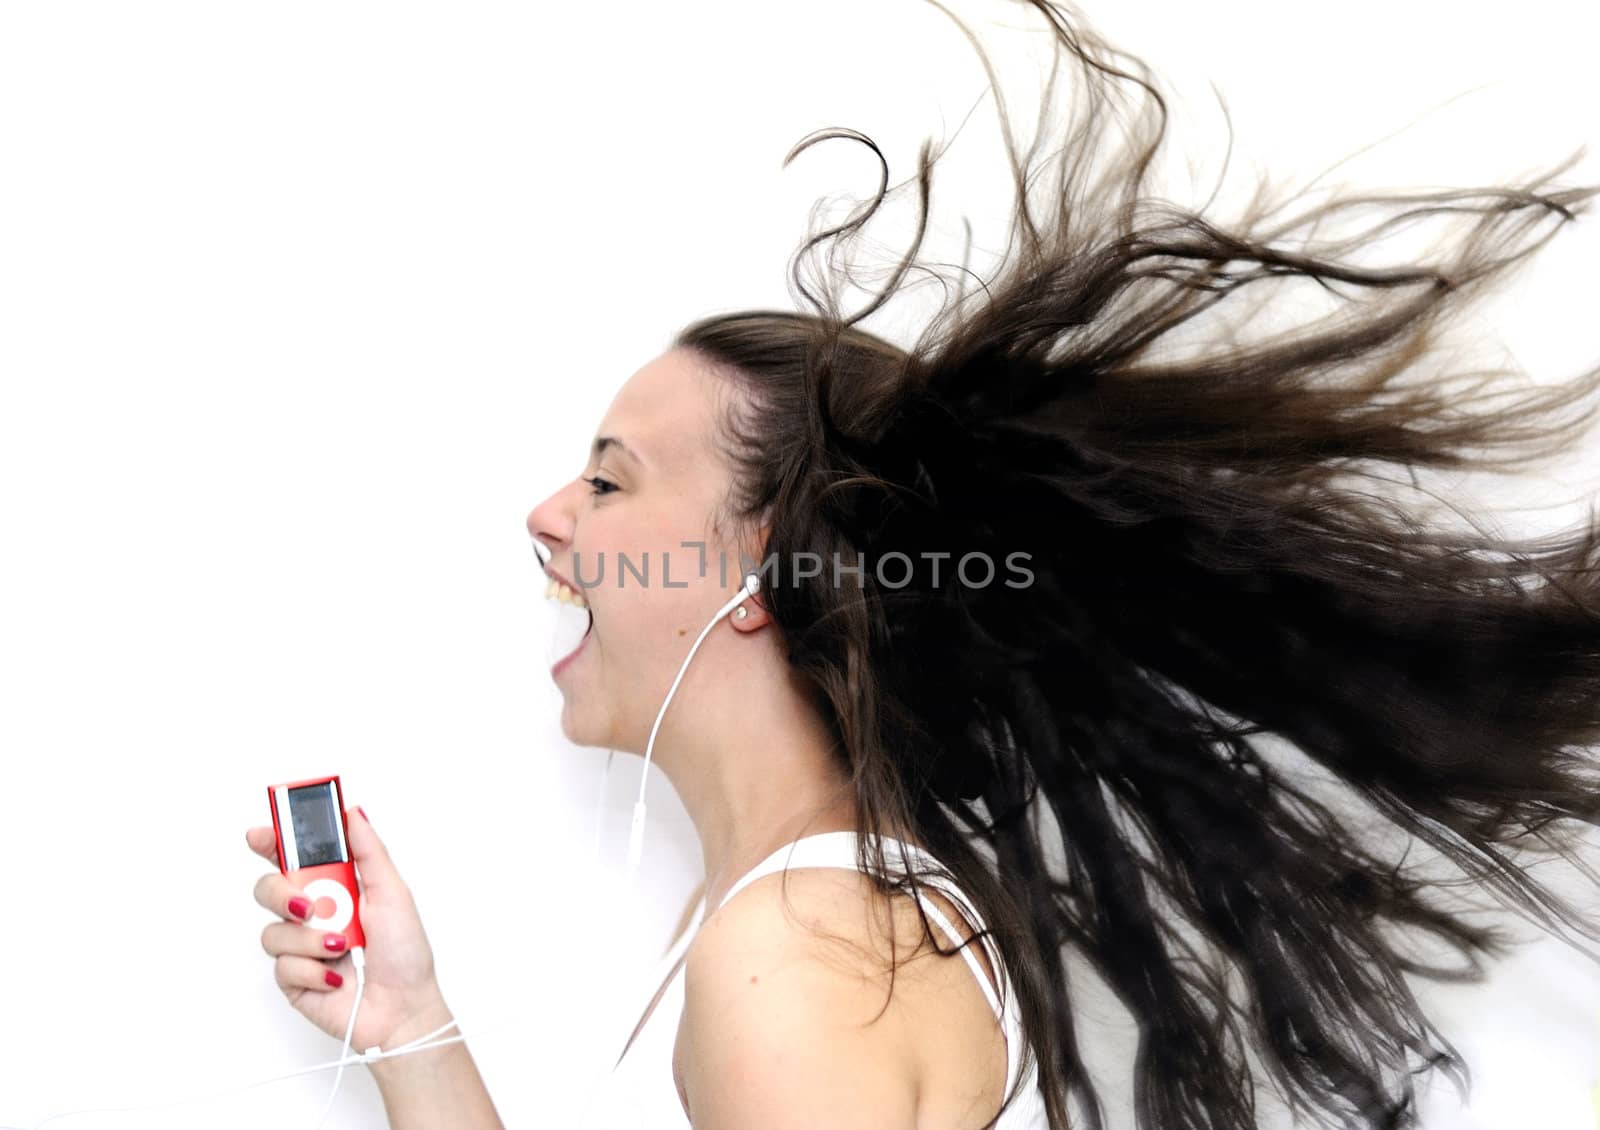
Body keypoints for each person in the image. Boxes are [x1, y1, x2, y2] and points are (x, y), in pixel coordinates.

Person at [248, 2, 1600, 1127]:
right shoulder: (840, 915)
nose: (547, 515)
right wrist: (411, 1021)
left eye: (610, 477)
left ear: (755, 567)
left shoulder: (792, 959)